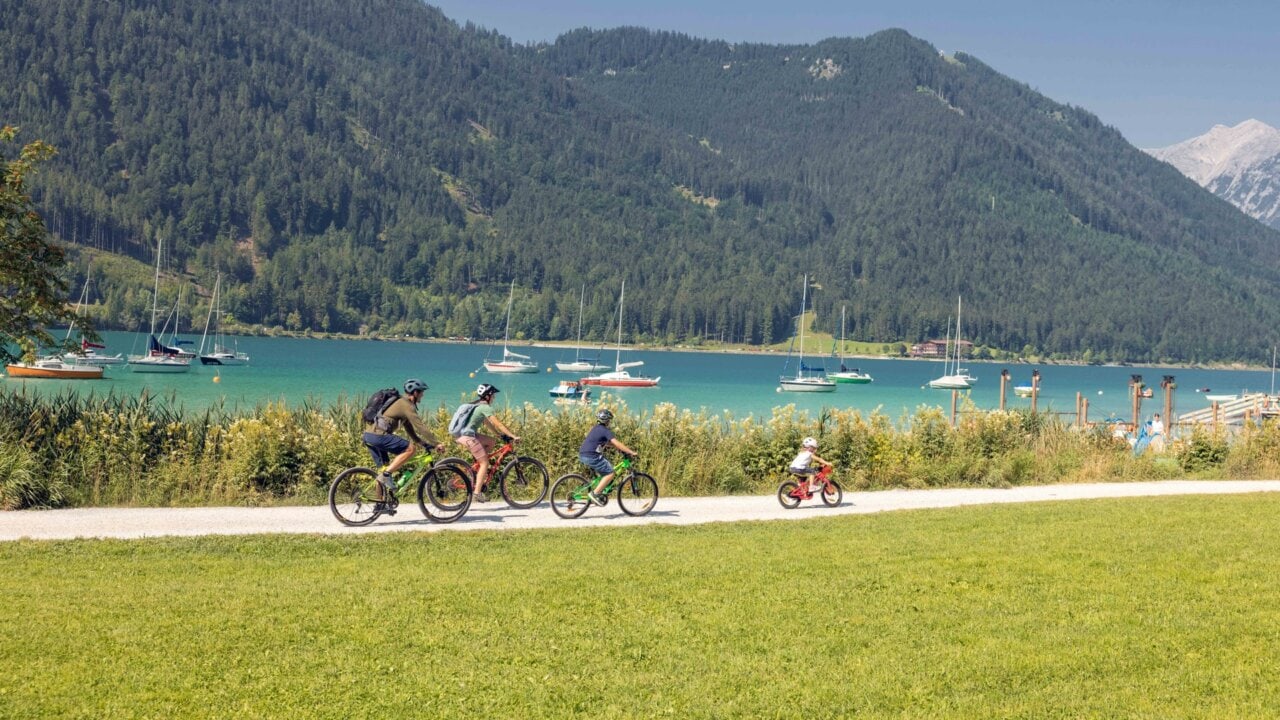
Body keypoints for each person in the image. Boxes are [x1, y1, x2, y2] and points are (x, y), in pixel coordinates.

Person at [363, 378, 447, 502]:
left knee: (384, 469)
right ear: (415, 393)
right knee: (410, 449)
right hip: (379, 435)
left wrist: (421, 442)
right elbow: (420, 426)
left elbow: (409, 428)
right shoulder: (406, 404)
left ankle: (380, 503)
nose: (422, 395)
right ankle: (386, 475)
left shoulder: (400, 402)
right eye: (421, 392)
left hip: (369, 435)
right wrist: (436, 443)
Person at [454, 383, 520, 502]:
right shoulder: (485, 407)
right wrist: (512, 436)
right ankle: (477, 493)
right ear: (488, 395)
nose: (494, 398)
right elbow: (497, 423)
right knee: (485, 462)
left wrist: (498, 435)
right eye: (493, 395)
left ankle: (477, 466)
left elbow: (487, 423)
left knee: (491, 441)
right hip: (468, 437)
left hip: (464, 435)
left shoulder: (477, 405)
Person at [578, 408, 638, 506]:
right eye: (609, 420)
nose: (610, 422)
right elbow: (616, 442)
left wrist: (618, 448)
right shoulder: (605, 431)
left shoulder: (596, 428)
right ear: (607, 421)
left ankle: (599, 491)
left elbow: (609, 443)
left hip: (583, 454)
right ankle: (595, 493)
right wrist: (630, 451)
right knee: (610, 473)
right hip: (592, 455)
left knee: (605, 473)